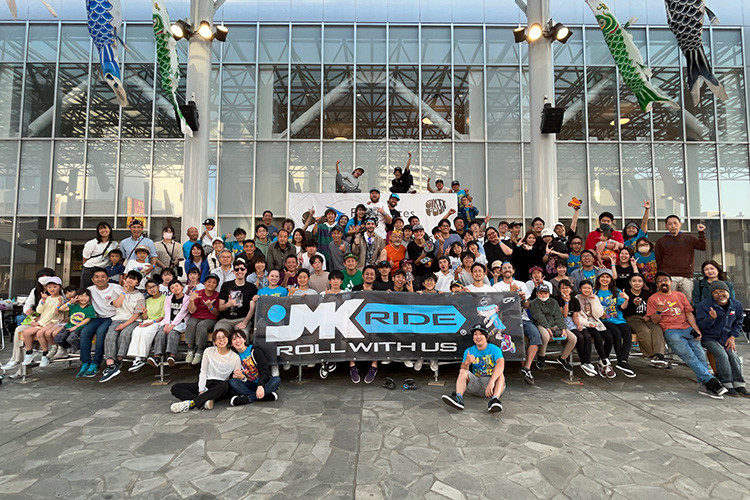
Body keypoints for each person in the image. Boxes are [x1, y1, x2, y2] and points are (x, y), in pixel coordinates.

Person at [647, 271, 727, 399]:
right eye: (659, 281)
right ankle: (712, 382)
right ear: (656, 284)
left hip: (687, 328)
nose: (663, 282)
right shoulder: (653, 299)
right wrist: (659, 310)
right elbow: (654, 321)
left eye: (665, 280)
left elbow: (689, 313)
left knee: (700, 354)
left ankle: (704, 385)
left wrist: (696, 329)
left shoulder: (680, 295)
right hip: (670, 331)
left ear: (671, 282)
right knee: (689, 355)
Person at [492, 261, 542, 385]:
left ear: (513, 271)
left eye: (509, 267)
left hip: (523, 318)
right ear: (501, 271)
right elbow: (497, 307)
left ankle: (527, 368)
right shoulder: (496, 287)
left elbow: (528, 305)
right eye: (504, 268)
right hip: (505, 320)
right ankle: (509, 369)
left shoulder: (521, 284)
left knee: (536, 336)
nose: (507, 270)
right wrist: (511, 292)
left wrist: (524, 298)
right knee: (517, 339)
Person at [696, 281, 748, 397]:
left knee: (733, 355)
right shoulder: (705, 305)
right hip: (709, 337)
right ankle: (726, 383)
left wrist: (732, 337)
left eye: (722, 291)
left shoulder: (736, 305)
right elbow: (700, 325)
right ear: (711, 294)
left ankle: (739, 384)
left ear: (728, 292)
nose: (720, 294)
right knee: (722, 355)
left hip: (726, 337)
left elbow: (738, 322)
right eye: (715, 292)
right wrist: (710, 318)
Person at [170, 329, 241, 413]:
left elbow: (236, 378)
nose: (221, 340)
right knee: (176, 388)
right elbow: (203, 372)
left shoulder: (235, 357)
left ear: (228, 339)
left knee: (224, 385)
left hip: (220, 386)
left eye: (223, 337)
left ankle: (191, 403)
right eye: (218, 338)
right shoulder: (208, 351)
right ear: (214, 341)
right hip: (207, 382)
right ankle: (204, 401)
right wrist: (201, 390)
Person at [441, 324, 505, 413]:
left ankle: (495, 400)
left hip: (493, 386)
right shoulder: (469, 351)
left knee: (500, 373)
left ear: (486, 337)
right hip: (477, 384)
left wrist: (491, 382)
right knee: (462, 371)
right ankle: (459, 398)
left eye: (481, 334)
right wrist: (466, 362)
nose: (478, 337)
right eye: (475, 334)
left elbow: (501, 364)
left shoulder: (495, 349)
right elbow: (463, 368)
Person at [74, 268, 123, 378]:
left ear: (108, 278)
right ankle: (85, 362)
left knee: (101, 333)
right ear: (92, 279)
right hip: (97, 318)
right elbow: (82, 302)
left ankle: (96, 362)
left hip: (113, 317)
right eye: (96, 277)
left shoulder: (116, 288)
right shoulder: (90, 290)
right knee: (85, 332)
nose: (100, 279)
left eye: (103, 277)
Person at [99, 271, 146, 382]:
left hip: (133, 321)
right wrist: (124, 292)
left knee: (125, 334)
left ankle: (119, 360)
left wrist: (124, 325)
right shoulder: (118, 291)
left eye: (134, 279)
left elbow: (137, 314)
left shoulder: (140, 296)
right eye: (129, 277)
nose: (130, 280)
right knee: (110, 336)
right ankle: (110, 363)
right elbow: (117, 304)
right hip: (117, 319)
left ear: (138, 283)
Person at [594, 270, 636, 377]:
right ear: (598, 279)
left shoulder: (616, 291)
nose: (605, 279)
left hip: (618, 319)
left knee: (627, 332)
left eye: (607, 277)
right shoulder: (595, 292)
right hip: (604, 320)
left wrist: (626, 299)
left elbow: (622, 307)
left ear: (611, 279)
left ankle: (624, 360)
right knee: (616, 334)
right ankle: (619, 360)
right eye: (602, 277)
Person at [655, 216, 707, 301]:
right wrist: (662, 276)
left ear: (680, 224)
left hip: (686, 275)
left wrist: (701, 232)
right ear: (666, 226)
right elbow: (658, 259)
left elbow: (703, 247)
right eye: (670, 224)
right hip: (669, 276)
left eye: (675, 223)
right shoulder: (661, 241)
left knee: (686, 301)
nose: (673, 226)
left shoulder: (689, 238)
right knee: (669, 300)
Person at [622, 273, 667, 368]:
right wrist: (633, 304)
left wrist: (649, 315)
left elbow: (652, 308)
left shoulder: (648, 294)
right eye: (634, 281)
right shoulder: (625, 292)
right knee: (644, 331)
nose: (637, 283)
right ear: (630, 282)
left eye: (640, 281)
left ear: (643, 283)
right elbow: (623, 310)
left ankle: (659, 355)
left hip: (647, 317)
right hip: (632, 318)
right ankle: (652, 355)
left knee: (657, 329)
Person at [529, 283, 576, 373]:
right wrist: (547, 328)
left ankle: (563, 358)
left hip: (554, 324)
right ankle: (541, 356)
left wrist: (563, 328)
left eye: (545, 293)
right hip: (541, 324)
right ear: (537, 293)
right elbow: (539, 317)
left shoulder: (553, 302)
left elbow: (558, 316)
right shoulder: (534, 303)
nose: (543, 295)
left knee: (573, 338)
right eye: (541, 293)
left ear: (549, 293)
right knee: (545, 336)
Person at [21, 276, 66, 367]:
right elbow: (39, 310)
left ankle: (45, 354)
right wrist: (43, 301)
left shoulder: (60, 299)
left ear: (60, 287)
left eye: (55, 286)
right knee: (26, 333)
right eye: (49, 287)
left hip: (53, 322)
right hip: (43, 321)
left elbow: (53, 313)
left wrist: (40, 323)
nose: (52, 289)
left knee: (40, 333)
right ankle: (29, 353)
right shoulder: (46, 298)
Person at [227, 329, 280, 406]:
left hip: (263, 383)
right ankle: (264, 396)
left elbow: (264, 370)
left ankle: (248, 398)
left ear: (245, 339)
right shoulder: (234, 356)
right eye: (234, 339)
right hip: (249, 384)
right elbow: (237, 375)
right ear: (231, 343)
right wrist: (241, 377)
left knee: (276, 380)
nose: (237, 341)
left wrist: (260, 385)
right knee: (233, 382)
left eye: (240, 337)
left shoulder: (254, 350)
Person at [556, 279, 597, 377]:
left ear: (571, 289)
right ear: (559, 289)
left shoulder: (575, 300)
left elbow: (575, 315)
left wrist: (578, 324)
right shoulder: (557, 299)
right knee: (580, 337)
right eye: (562, 288)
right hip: (563, 322)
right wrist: (566, 302)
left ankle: (587, 361)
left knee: (587, 335)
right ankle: (583, 361)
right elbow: (564, 315)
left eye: (567, 288)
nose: (565, 290)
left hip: (573, 321)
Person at [576, 280, 616, 378]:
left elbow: (598, 314)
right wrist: (588, 324)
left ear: (592, 289)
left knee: (609, 338)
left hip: (596, 321)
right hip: (585, 323)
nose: (587, 290)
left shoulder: (595, 297)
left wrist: (593, 301)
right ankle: (605, 362)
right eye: (584, 288)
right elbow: (578, 316)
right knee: (597, 337)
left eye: (589, 288)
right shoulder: (577, 298)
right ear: (580, 289)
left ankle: (601, 361)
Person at [125, 279, 166, 373]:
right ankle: (137, 358)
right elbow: (145, 317)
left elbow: (163, 316)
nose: (152, 289)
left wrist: (150, 323)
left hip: (158, 322)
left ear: (158, 287)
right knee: (137, 331)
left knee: (146, 332)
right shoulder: (147, 300)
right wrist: (144, 314)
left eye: (153, 287)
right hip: (147, 321)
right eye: (149, 288)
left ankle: (142, 357)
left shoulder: (165, 298)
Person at [149, 280, 190, 367]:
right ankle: (157, 357)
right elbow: (167, 312)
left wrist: (172, 325)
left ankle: (172, 356)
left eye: (177, 286)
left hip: (181, 322)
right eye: (172, 288)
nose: (175, 288)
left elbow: (182, 313)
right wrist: (167, 324)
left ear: (182, 287)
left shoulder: (187, 298)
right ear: (170, 290)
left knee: (173, 332)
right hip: (168, 321)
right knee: (161, 332)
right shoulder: (168, 298)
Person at [184, 274, 221, 367]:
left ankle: (200, 351)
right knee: (191, 324)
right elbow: (192, 311)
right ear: (204, 283)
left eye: (214, 283)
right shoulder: (198, 293)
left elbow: (217, 313)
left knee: (201, 326)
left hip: (210, 318)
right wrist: (191, 300)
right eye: (209, 282)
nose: (211, 284)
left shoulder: (217, 295)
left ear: (216, 285)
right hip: (196, 316)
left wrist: (210, 307)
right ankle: (190, 349)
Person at [215, 260, 257, 335]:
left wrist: (245, 322)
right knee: (219, 334)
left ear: (246, 271)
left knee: (242, 334)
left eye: (242, 269)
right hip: (225, 320)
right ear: (233, 272)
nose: (239, 271)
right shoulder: (226, 285)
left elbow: (252, 308)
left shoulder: (252, 287)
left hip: (243, 318)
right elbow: (220, 308)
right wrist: (228, 304)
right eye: (237, 269)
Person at [54, 288, 96, 358]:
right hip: (68, 326)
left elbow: (88, 319)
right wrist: (70, 302)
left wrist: (76, 327)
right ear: (77, 297)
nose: (84, 298)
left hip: (79, 327)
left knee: (71, 339)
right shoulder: (74, 306)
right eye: (81, 296)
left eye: (86, 296)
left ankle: (79, 347)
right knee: (57, 339)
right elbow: (61, 309)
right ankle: (70, 347)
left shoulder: (89, 307)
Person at [81, 222, 119, 288]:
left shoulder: (114, 244)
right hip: (91, 269)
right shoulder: (91, 243)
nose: (103, 230)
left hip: (105, 269)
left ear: (110, 229)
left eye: (105, 228)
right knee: (88, 290)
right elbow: (85, 258)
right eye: (101, 229)